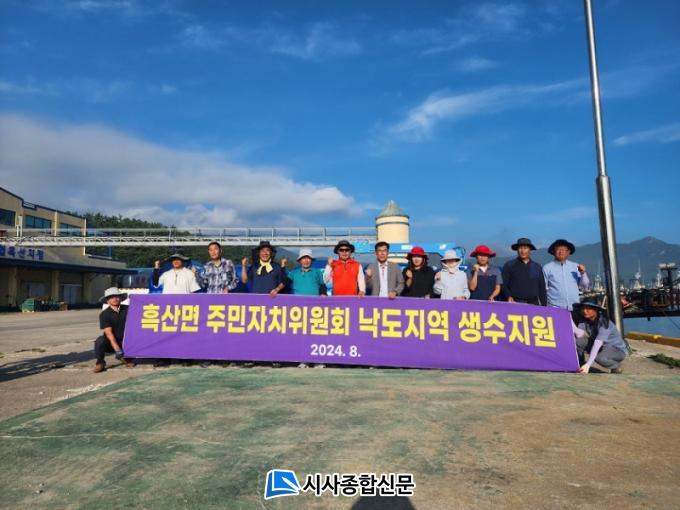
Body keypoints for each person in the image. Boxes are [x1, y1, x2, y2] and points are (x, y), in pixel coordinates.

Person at [572, 300, 628, 374]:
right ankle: (580, 364)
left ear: (596, 310)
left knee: (599, 358)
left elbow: (597, 344)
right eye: (583, 308)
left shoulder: (604, 323)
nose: (585, 311)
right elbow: (579, 335)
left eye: (588, 309)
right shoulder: (583, 320)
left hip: (616, 349)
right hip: (601, 347)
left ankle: (616, 366)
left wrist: (588, 365)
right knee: (579, 341)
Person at [94, 287, 134, 373]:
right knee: (99, 341)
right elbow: (109, 333)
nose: (115, 299)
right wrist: (117, 349)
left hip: (127, 341)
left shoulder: (129, 309)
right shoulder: (104, 314)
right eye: (111, 297)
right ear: (107, 301)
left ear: (121, 298)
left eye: (117, 296)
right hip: (111, 343)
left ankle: (126, 358)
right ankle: (100, 363)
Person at [543, 239, 589, 310]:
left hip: (574, 306)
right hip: (555, 307)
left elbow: (584, 285)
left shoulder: (575, 266)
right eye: (558, 249)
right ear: (553, 252)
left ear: (568, 252)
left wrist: (583, 273)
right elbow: (543, 289)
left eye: (564, 250)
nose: (561, 252)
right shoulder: (547, 268)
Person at [501, 238, 547, 305]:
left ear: (530, 250)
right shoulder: (509, 265)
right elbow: (503, 284)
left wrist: (544, 305)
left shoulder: (537, 267)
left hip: (533, 303)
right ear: (517, 250)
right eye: (520, 248)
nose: (522, 251)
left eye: (525, 248)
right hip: (515, 302)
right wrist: (508, 296)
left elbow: (542, 288)